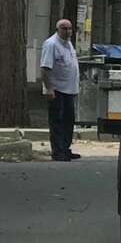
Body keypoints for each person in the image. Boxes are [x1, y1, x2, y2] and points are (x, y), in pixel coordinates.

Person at [39, 18, 81, 161]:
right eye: (64, 28)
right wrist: (49, 88)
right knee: (57, 121)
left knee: (69, 121)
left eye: (69, 28)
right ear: (58, 29)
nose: (68, 31)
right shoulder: (51, 44)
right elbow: (45, 69)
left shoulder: (68, 43)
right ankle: (57, 151)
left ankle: (65, 148)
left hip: (69, 89)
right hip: (57, 89)